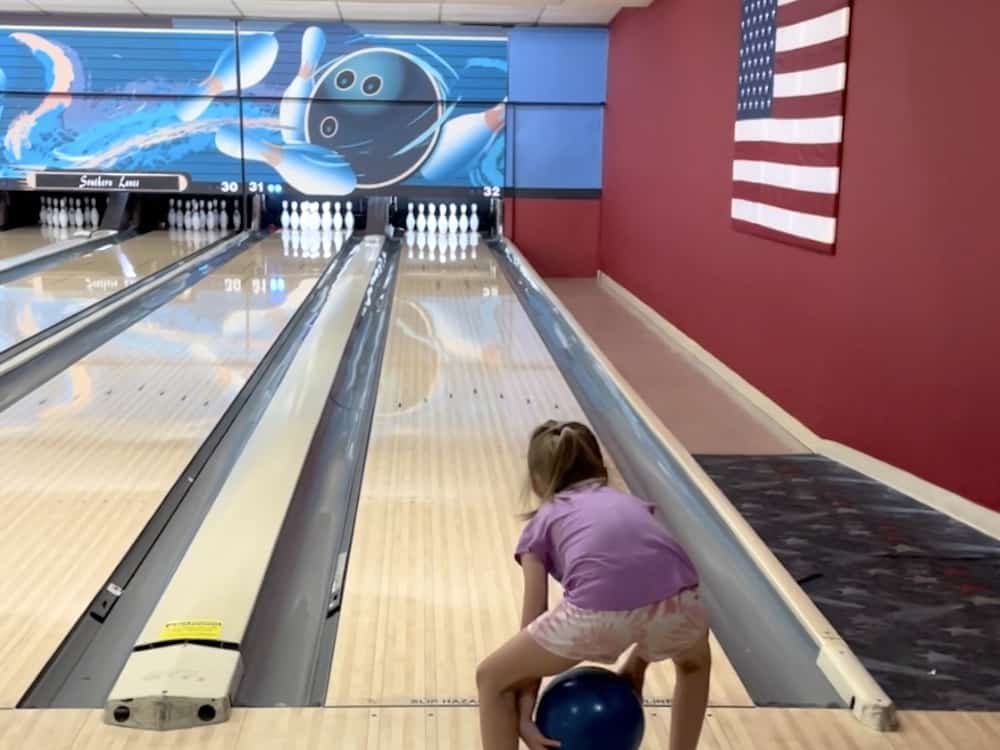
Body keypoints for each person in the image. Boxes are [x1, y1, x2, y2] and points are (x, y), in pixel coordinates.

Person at [476, 420, 711, 750]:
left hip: (595, 616)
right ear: (601, 468)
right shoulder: (634, 504)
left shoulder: (543, 520)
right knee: (694, 664)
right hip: (681, 603)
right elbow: (650, 584)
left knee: (491, 678)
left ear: (536, 482)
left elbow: (534, 615)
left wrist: (525, 715)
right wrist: (638, 663)